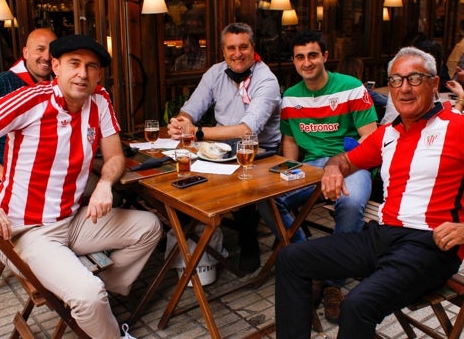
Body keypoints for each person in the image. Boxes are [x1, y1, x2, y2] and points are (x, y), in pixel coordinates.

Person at [0, 34, 162, 339]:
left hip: (72, 220)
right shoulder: (32, 100)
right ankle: (107, 324)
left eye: (91, 67)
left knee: (150, 227)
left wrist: (105, 183)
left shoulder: (100, 100)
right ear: (56, 66)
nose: (83, 73)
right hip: (29, 231)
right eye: (74, 64)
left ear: (99, 74)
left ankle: (104, 292)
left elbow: (115, 155)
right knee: (89, 295)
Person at [275, 46, 464, 339]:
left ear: (434, 83)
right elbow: (345, 159)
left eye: (414, 79)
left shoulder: (458, 128)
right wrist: (333, 169)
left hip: (430, 245)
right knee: (291, 259)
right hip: (382, 236)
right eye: (397, 80)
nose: (404, 88)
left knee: (357, 305)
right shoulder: (388, 134)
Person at [259, 29, 378, 323]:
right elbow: (290, 144)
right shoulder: (290, 96)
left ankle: (333, 285)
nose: (306, 62)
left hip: (352, 163)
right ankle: (311, 265)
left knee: (350, 205)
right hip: (310, 167)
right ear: (294, 62)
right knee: (265, 199)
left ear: (325, 56)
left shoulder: (351, 87)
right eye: (300, 57)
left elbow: (371, 140)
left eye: (313, 55)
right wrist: (282, 176)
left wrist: (340, 166)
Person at [167, 22, 281, 274]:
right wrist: (181, 122)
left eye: (243, 47)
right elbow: (192, 108)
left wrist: (197, 132)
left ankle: (248, 241)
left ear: (253, 48)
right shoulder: (215, 73)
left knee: (242, 183)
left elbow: (247, 130)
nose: (237, 53)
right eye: (231, 48)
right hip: (221, 146)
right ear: (223, 51)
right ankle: (194, 235)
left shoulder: (266, 80)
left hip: (260, 150)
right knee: (183, 176)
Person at [0, 28, 57, 192]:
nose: (46, 57)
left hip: (47, 175)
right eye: (40, 49)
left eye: (52, 51)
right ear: (26, 52)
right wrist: (6, 177)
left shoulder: (59, 88)